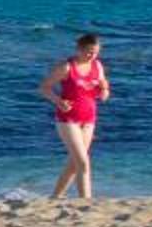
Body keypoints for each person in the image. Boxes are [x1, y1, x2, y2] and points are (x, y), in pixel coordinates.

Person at [39, 32, 110, 199]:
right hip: (68, 120)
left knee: (74, 163)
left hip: (89, 119)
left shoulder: (97, 66)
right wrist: (58, 101)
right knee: (83, 163)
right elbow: (44, 88)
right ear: (79, 49)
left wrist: (105, 91)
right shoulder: (66, 67)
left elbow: (104, 87)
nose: (92, 55)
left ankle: (55, 197)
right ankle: (86, 202)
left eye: (95, 52)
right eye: (89, 52)